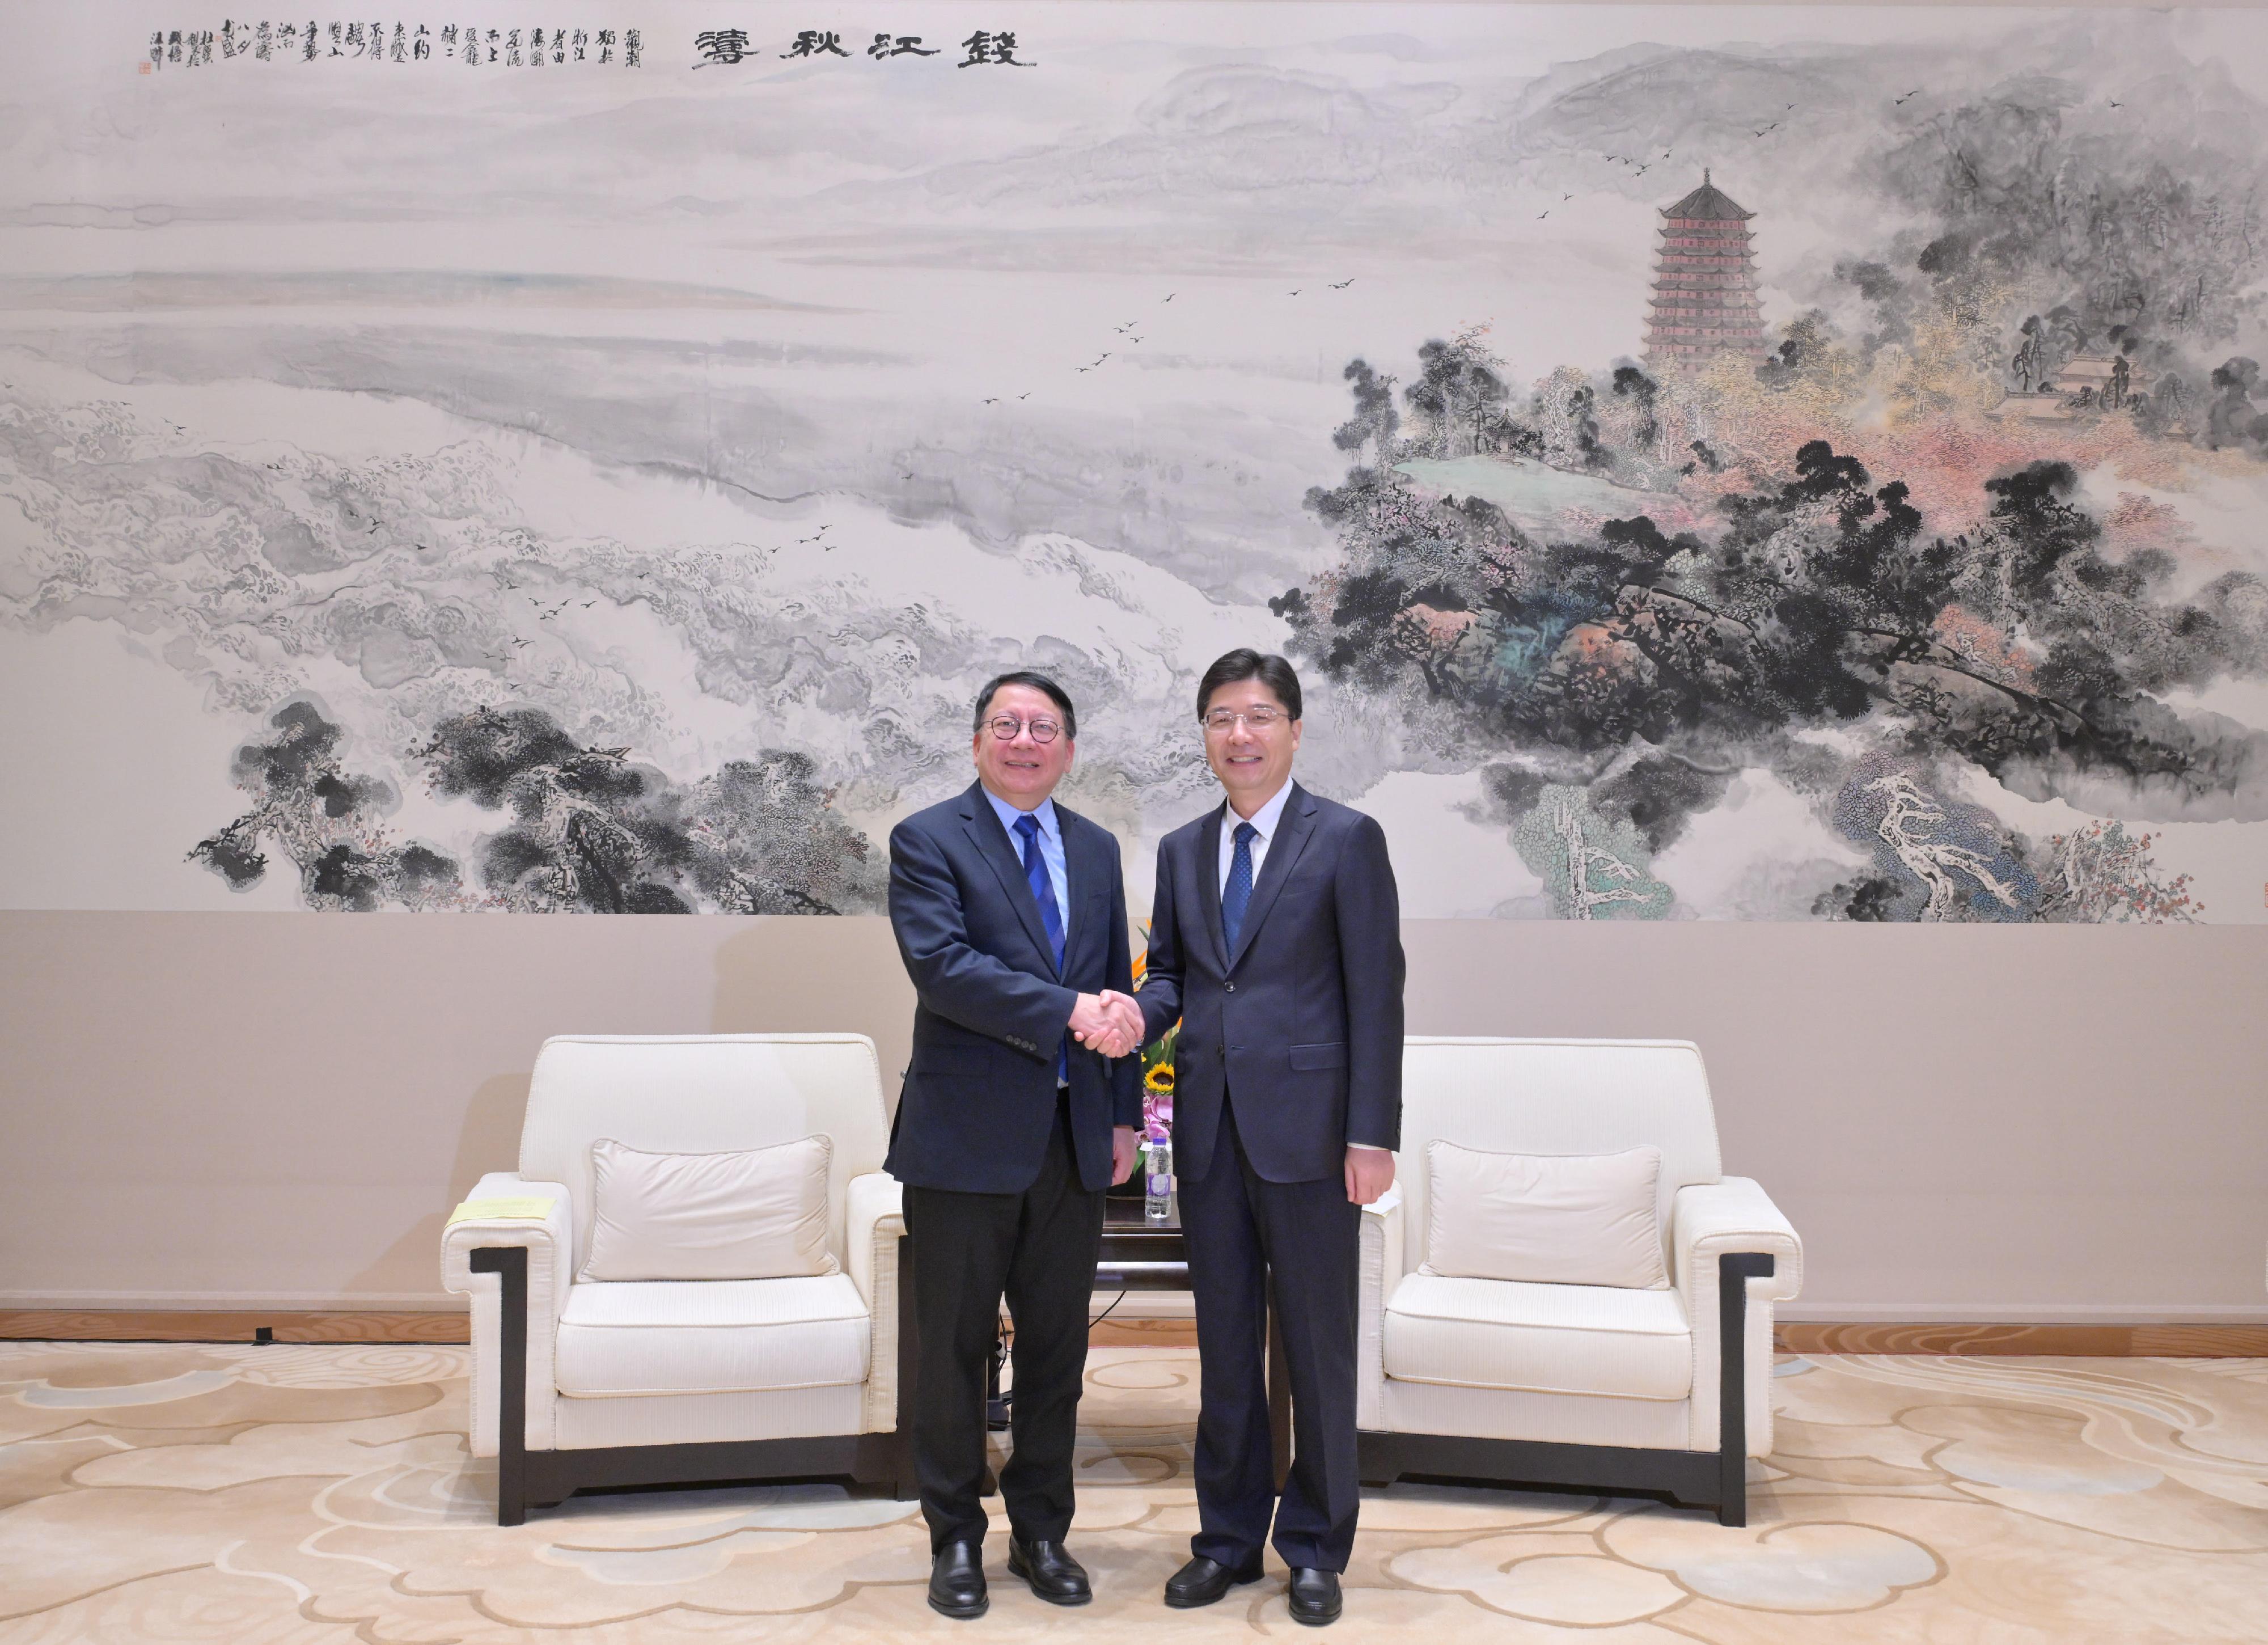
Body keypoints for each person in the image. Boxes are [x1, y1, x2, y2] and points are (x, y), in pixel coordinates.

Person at [1132, 649, 1403, 1628]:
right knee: (1225, 1346)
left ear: (1293, 728)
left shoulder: (1347, 839)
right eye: (1219, 718)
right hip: (1207, 1135)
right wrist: (1133, 1011)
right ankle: (1228, 1539)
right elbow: (1173, 975)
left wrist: (1372, 1134)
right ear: (1203, 734)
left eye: (1256, 717)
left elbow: (1378, 994)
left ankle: (1318, 1543)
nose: (1238, 736)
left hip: (1315, 1137)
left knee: (1320, 1347)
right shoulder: (1178, 848)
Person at [886, 670, 1145, 1621]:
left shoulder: (1096, 846)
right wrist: (1073, 1010)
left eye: (1044, 727)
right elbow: (946, 970)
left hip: (1072, 1140)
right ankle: (954, 1534)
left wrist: (1121, 1111)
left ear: (1069, 749)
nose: (1025, 739)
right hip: (960, 1142)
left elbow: (1117, 974)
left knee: (1055, 1351)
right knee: (952, 1350)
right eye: (1007, 723)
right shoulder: (927, 840)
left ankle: (1042, 1528)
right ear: (978, 741)